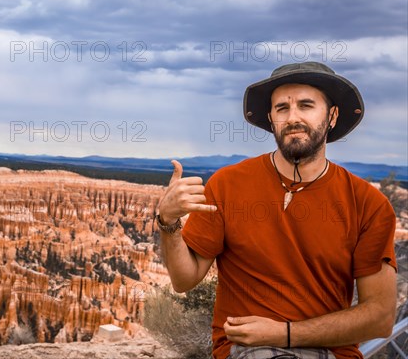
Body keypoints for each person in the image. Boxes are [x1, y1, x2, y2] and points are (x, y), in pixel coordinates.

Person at [156, 62, 397, 359]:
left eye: (306, 105)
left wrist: (285, 333)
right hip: (248, 348)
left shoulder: (368, 205)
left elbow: (381, 318)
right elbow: (184, 280)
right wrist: (167, 221)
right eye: (282, 108)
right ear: (271, 119)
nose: (292, 117)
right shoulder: (228, 184)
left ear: (332, 116)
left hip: (331, 353)